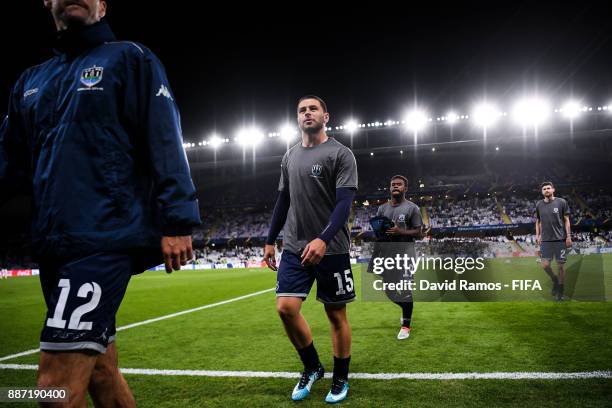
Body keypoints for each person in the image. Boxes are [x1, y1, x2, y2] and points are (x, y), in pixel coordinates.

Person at [0, 1, 201, 406]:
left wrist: (178, 219)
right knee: (103, 372)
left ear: (103, 5)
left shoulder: (129, 57)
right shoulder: (30, 81)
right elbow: (10, 165)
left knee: (52, 391)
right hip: (53, 243)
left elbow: (164, 137)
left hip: (104, 238)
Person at [262, 95, 357, 403]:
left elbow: (344, 204)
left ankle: (340, 376)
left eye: (313, 108)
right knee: (285, 309)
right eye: (302, 110)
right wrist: (268, 240)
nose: (307, 113)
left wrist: (323, 238)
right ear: (297, 118)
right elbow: (282, 201)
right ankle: (313, 366)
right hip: (294, 245)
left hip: (332, 248)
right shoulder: (289, 156)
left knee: (335, 314)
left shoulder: (341, 154)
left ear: (325, 116)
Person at [372, 175, 422, 339]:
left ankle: (406, 326)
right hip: (388, 254)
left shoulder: (412, 208)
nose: (395, 186)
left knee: (406, 291)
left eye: (399, 184)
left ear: (405, 188)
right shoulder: (382, 209)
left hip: (406, 255)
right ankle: (406, 309)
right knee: (389, 291)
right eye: (393, 184)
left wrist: (400, 232)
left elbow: (419, 232)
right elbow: (379, 233)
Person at [535, 182, 571, 301]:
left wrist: (568, 236)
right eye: (544, 189)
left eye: (548, 188)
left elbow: (566, 220)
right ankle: (555, 280)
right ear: (542, 191)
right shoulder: (539, 204)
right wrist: (538, 235)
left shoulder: (561, 202)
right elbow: (538, 221)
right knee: (545, 265)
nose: (546, 190)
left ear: (553, 189)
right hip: (546, 240)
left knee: (560, 266)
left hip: (560, 239)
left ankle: (560, 291)